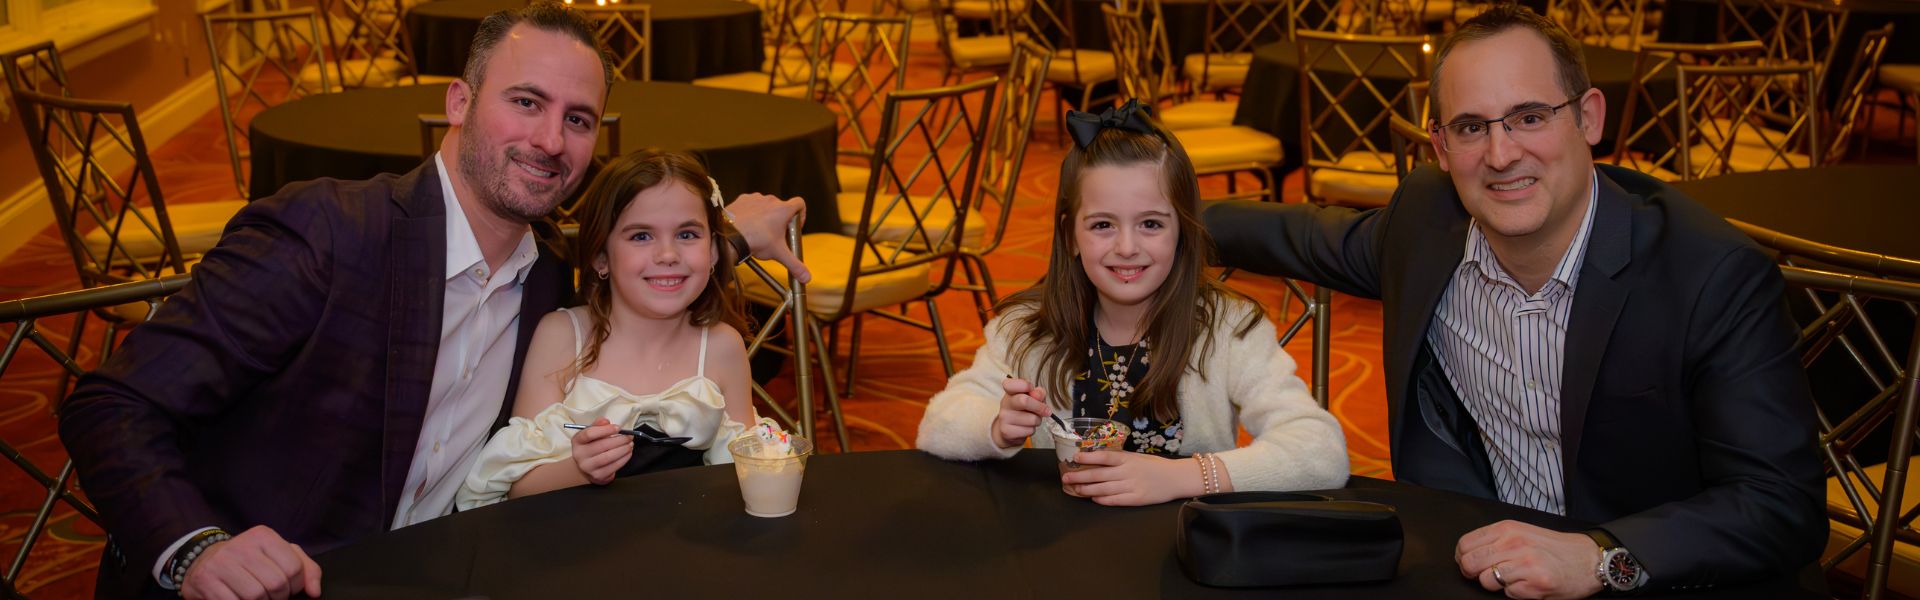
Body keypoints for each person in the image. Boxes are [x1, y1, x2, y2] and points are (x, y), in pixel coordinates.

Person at [57, 4, 810, 599]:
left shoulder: (549, 279)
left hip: (454, 569)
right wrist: (197, 549)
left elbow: (641, 278)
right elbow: (111, 407)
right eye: (525, 102)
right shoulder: (329, 232)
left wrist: (729, 233)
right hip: (275, 582)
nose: (551, 140)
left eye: (577, 119)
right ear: (459, 101)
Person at [1202, 5, 1823, 597]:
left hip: (1651, 581)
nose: (1501, 156)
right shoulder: (1424, 223)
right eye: (1472, 127)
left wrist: (1601, 557)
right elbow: (1298, 236)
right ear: (1441, 148)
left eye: (1530, 116)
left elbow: (1779, 505)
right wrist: (1156, 221)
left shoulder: (1709, 275)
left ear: (1589, 118)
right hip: (1473, 562)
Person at [917, 101, 1349, 505]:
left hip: (1184, 543)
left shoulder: (1228, 330)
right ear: (1069, 235)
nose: (1127, 247)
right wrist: (996, 426)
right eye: (1103, 224)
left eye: (1151, 224)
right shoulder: (1029, 327)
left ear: (1182, 230)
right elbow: (937, 426)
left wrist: (1184, 477)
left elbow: (1321, 450)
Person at [457, 150, 760, 508]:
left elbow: (741, 475)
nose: (667, 255)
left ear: (712, 252)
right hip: (577, 544)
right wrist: (579, 468)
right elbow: (514, 491)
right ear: (601, 257)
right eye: (641, 237)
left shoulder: (722, 346)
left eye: (688, 234)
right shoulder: (561, 337)